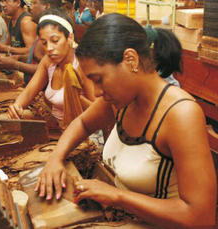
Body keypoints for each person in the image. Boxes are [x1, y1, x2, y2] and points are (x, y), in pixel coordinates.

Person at [35, 13, 217, 228]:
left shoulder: (180, 115)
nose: (96, 91)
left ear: (130, 59)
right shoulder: (122, 100)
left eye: (99, 79)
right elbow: (82, 123)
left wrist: (117, 196)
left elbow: (200, 217)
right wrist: (56, 158)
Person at [8, 8, 95, 129]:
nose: (49, 48)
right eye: (44, 43)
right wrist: (17, 106)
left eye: (55, 41)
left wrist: (76, 96)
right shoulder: (48, 62)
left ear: (70, 38)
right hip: (57, 128)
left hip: (82, 134)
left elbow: (99, 111)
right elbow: (29, 92)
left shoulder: (82, 65)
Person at [0, 0, 60, 84]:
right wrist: (19, 58)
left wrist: (16, 64)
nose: (30, 7)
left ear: (46, 6)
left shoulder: (52, 33)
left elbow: (47, 69)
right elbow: (36, 58)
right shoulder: (42, 30)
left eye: (34, 3)